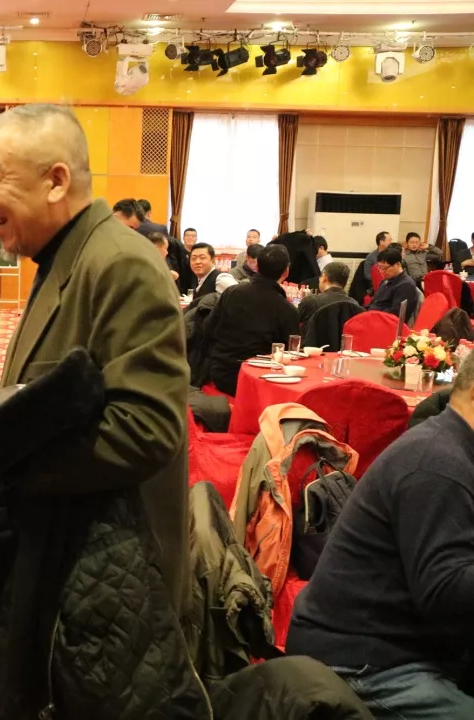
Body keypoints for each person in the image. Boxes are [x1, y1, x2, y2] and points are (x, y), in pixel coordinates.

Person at [0, 103, 209, 719]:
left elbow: (146, 430)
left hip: (105, 579)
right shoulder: (66, 257)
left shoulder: (120, 264)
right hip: (56, 560)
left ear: (56, 181)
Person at [287, 352, 474, 718]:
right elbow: (444, 593)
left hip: (403, 643)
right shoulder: (438, 463)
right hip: (361, 661)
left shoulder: (452, 447)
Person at [201, 244, 300, 396]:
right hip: (259, 380)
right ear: (286, 271)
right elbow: (291, 353)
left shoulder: (232, 293)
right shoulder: (287, 309)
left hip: (221, 373)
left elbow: (208, 329)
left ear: (257, 266)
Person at [298, 261, 360, 332]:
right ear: (345, 282)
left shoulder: (311, 301)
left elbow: (294, 322)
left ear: (324, 278)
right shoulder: (355, 305)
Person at [369, 244, 419, 318]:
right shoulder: (385, 281)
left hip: (384, 320)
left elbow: (396, 314)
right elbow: (375, 303)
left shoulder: (405, 285)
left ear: (398, 264)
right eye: (379, 268)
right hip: (372, 315)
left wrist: (371, 315)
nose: (381, 271)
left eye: (385, 268)